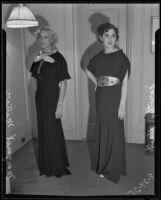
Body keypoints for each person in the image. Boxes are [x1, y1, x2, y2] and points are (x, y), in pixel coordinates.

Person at [85, 23, 131, 183]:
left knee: (115, 131)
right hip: (101, 97)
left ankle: (113, 167)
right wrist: (96, 82)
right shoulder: (97, 57)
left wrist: (122, 105)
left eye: (113, 35)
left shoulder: (122, 58)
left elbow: (125, 84)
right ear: (100, 37)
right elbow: (88, 69)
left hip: (115, 97)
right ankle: (102, 164)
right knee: (103, 129)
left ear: (116, 38)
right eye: (106, 35)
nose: (110, 38)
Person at [30, 26, 71, 177]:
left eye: (46, 37)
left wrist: (59, 106)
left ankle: (55, 165)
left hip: (52, 100)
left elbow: (64, 83)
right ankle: (46, 164)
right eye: (40, 37)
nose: (42, 40)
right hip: (40, 99)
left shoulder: (59, 58)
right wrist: (38, 94)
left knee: (52, 131)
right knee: (44, 131)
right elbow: (35, 78)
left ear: (52, 39)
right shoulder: (38, 57)